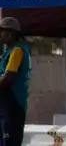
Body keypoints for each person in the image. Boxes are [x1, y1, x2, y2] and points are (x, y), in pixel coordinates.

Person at [0, 17, 30, 146]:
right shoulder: (8, 52)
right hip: (6, 105)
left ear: (10, 33)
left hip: (12, 106)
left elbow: (7, 79)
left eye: (1, 31)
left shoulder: (17, 51)